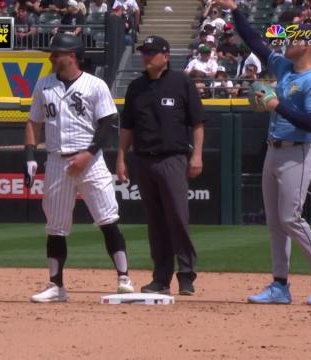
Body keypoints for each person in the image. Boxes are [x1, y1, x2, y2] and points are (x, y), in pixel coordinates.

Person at [215, 0, 311, 305]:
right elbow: (254, 40)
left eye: (295, 39)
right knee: (275, 223)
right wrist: (234, 10)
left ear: (308, 47)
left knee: (290, 218)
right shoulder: (283, 67)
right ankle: (280, 285)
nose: (288, 42)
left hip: (297, 153)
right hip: (274, 151)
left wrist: (277, 105)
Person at [24, 34, 135, 302]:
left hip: (91, 161)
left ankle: (124, 277)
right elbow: (33, 123)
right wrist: (29, 156)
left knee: (107, 219)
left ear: (72, 56)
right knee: (56, 226)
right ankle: (56, 286)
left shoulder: (95, 85)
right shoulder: (44, 85)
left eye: (57, 53)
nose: (52, 57)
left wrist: (88, 153)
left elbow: (107, 122)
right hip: (57, 161)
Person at [117, 35, 205, 296]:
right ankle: (161, 277)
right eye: (144, 51)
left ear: (165, 56)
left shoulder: (181, 82)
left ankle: (186, 273)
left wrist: (197, 155)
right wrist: (121, 157)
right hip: (144, 159)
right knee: (155, 223)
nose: (146, 56)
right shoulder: (136, 87)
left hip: (172, 159)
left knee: (177, 217)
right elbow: (128, 127)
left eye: (151, 52)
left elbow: (198, 122)